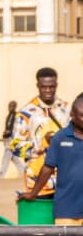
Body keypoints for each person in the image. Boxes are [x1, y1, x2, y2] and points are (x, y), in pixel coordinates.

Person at [19, 93, 83, 225]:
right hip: (67, 210)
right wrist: (33, 193)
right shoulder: (60, 138)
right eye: (82, 115)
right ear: (72, 115)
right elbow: (48, 167)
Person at [11, 67, 69, 197]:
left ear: (56, 85)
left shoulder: (66, 109)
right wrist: (40, 146)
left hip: (66, 176)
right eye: (44, 87)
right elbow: (15, 146)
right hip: (38, 179)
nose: (48, 90)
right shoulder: (26, 112)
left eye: (51, 87)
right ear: (38, 86)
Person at [0, 101, 25, 179]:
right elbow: (8, 127)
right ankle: (24, 172)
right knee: (14, 158)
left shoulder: (16, 116)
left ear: (15, 107)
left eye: (12, 106)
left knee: (6, 157)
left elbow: (17, 128)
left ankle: (1, 176)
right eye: (9, 106)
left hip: (12, 140)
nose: (11, 108)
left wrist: (13, 138)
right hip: (7, 139)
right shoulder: (9, 115)